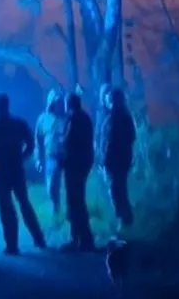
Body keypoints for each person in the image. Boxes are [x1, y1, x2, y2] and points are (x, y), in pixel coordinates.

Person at [0, 93, 46, 254]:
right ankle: (38, 239)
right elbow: (30, 143)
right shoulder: (17, 124)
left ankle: (12, 245)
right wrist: (22, 157)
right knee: (24, 203)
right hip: (15, 170)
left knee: (7, 208)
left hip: (2, 172)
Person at [59, 92, 96, 251]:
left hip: (73, 164)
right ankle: (82, 238)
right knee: (78, 199)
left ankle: (80, 239)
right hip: (84, 163)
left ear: (69, 104)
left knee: (74, 201)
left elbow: (67, 140)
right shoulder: (86, 118)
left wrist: (60, 147)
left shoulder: (73, 119)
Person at [101, 87, 137, 229]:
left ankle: (124, 220)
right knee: (118, 189)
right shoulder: (118, 116)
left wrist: (107, 157)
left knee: (116, 190)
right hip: (119, 159)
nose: (109, 102)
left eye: (111, 99)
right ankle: (124, 219)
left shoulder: (118, 117)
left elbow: (112, 140)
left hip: (116, 160)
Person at [34, 88, 66, 219]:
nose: (58, 104)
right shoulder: (43, 119)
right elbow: (38, 141)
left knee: (70, 187)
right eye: (56, 102)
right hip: (51, 157)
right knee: (51, 186)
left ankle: (70, 213)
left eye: (60, 102)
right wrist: (38, 159)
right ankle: (55, 210)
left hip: (67, 157)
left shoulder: (67, 118)